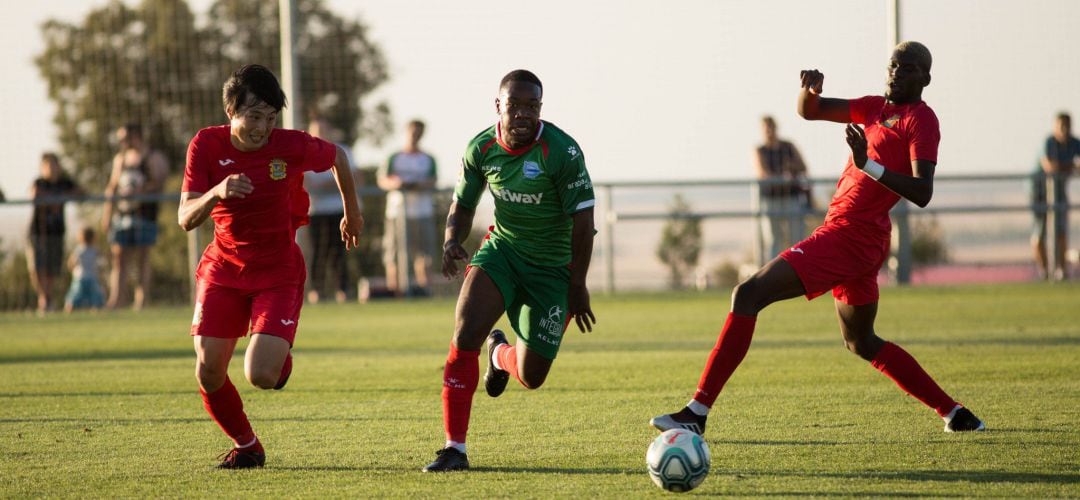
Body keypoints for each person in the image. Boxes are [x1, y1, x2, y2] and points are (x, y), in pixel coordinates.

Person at [650, 42, 986, 437]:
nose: (897, 72)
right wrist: (808, 91)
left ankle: (698, 411)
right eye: (893, 65)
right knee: (861, 342)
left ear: (926, 78)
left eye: (909, 68)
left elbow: (922, 191)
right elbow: (811, 111)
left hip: (850, 236)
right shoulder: (874, 107)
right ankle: (955, 413)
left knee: (747, 294)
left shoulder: (921, 120)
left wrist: (869, 166)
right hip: (859, 239)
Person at [178, 64, 363, 469]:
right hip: (223, 268)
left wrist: (352, 214)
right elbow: (185, 217)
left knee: (261, 375)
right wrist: (216, 191)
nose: (263, 128)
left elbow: (339, 157)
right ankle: (248, 446)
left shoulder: (289, 145)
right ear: (231, 111)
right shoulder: (205, 145)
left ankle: (276, 358)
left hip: (278, 270)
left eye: (270, 118)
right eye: (254, 117)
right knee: (208, 371)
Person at [423, 70, 597, 472]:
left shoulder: (561, 151)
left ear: (540, 109)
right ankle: (454, 448)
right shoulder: (481, 148)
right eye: (513, 105)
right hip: (502, 253)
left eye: (531, 106)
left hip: (554, 271)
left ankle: (499, 356)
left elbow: (584, 221)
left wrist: (577, 284)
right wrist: (453, 240)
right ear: (497, 106)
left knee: (532, 376)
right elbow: (463, 204)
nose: (522, 114)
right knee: (464, 333)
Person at [102, 123, 169, 311]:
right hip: (122, 215)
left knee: (143, 258)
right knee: (119, 258)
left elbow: (159, 182)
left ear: (136, 136)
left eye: (125, 138)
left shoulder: (152, 157)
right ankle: (116, 300)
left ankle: (141, 300)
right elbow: (112, 187)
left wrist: (141, 190)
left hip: (145, 214)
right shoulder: (120, 159)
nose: (122, 143)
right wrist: (107, 214)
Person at [377, 119, 438, 297]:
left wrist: (418, 185)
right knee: (394, 254)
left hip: (422, 212)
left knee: (424, 254)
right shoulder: (394, 157)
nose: (415, 136)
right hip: (396, 213)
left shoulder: (428, 159)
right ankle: (395, 291)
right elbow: (383, 180)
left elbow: (433, 180)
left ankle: (424, 291)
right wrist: (397, 183)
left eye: (418, 133)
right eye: (412, 132)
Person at [304, 115, 358, 304]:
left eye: (324, 130)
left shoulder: (343, 152)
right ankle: (316, 291)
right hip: (315, 210)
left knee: (339, 251)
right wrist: (335, 182)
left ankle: (343, 289)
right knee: (317, 252)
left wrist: (331, 184)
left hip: (338, 210)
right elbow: (305, 182)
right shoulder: (304, 153)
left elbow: (355, 178)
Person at [27, 152, 83, 314]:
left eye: (54, 165)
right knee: (37, 267)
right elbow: (34, 194)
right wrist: (52, 200)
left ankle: (47, 299)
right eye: (48, 165)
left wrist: (61, 197)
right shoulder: (40, 182)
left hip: (56, 232)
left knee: (51, 268)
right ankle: (43, 298)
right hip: (38, 232)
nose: (52, 169)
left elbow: (81, 192)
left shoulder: (64, 183)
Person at [1031, 112, 1080, 281]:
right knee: (1040, 231)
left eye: (1067, 125)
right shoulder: (1049, 143)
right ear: (1055, 126)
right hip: (1039, 191)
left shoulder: (1074, 143)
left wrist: (1068, 167)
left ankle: (1060, 269)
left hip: (1059, 191)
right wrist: (1071, 167)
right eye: (1061, 125)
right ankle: (1044, 271)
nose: (1064, 129)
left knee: (1061, 229)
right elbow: (1050, 167)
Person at [756, 115, 811, 258]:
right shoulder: (760, 150)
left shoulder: (788, 147)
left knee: (797, 238)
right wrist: (780, 177)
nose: (769, 131)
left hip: (791, 197)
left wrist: (791, 170)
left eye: (771, 127)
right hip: (770, 199)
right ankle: (772, 276)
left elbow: (803, 167)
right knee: (773, 240)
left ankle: (798, 269)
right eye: (766, 128)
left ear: (776, 128)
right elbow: (761, 172)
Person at [64, 227, 106, 313]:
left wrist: (72, 269)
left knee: (76, 293)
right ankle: (96, 308)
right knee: (94, 294)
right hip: (92, 277)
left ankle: (69, 307)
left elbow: (72, 262)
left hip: (80, 277)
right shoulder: (95, 250)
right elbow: (102, 262)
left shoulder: (79, 250)